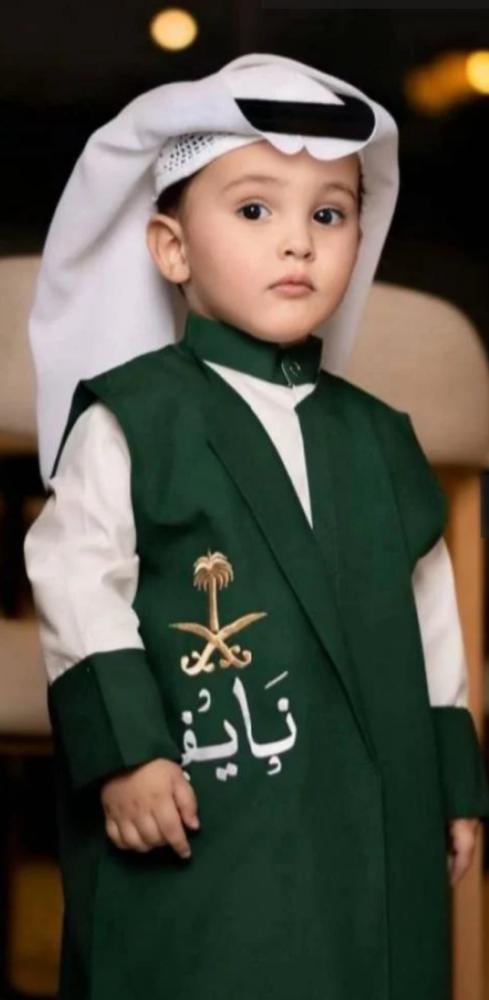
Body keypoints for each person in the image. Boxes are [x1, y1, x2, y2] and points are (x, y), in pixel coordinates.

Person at [24, 52, 489, 1000]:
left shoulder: (379, 435)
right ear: (171, 249)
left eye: (328, 214)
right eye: (252, 210)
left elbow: (430, 613)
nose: (296, 244)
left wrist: (449, 777)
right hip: (201, 784)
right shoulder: (134, 416)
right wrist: (127, 752)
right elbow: (77, 574)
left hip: (371, 800)